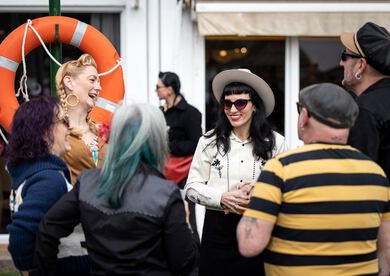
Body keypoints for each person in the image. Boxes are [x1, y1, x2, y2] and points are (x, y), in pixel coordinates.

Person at [237, 83, 390, 276]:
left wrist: (258, 199)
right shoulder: (376, 175)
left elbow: (249, 245)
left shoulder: (281, 169)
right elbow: (387, 254)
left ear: (305, 116)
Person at [33, 103, 199, 275]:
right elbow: (185, 264)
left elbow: (47, 230)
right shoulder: (166, 194)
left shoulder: (87, 183)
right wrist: (187, 225)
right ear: (157, 141)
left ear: (115, 138)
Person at [184, 68, 287, 275]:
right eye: (227, 103)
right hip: (217, 231)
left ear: (255, 106)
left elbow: (286, 187)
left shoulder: (275, 142)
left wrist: (261, 188)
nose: (233, 109)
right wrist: (222, 198)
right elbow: (190, 188)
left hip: (259, 227)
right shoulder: (208, 142)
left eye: (240, 103)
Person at [6, 96, 89, 275]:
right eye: (63, 121)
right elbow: (20, 237)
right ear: (44, 131)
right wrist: (32, 271)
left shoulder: (31, 174)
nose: (70, 128)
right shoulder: (48, 180)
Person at [339, 22, 390, 178]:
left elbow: (360, 178)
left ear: (360, 65)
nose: (341, 63)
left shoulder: (365, 110)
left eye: (344, 56)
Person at [56, 53, 107, 183]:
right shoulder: (55, 129)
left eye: (98, 82)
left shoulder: (100, 130)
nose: (99, 87)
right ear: (69, 82)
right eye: (92, 80)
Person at [156, 71, 202, 188]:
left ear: (169, 90)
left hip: (183, 173)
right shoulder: (160, 111)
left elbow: (196, 144)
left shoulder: (191, 113)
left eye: (158, 87)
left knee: (183, 205)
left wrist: (169, 146)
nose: (155, 90)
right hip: (164, 169)